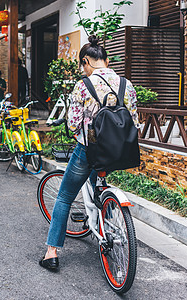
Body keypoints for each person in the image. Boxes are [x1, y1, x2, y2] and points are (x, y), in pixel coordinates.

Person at [39, 35, 139, 270]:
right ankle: (100, 216)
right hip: (120, 151)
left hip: (90, 149)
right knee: (97, 184)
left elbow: (74, 123)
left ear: (86, 61)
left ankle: (51, 252)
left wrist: (87, 137)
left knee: (64, 196)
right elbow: (135, 120)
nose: (82, 71)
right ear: (105, 59)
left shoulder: (84, 86)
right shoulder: (127, 84)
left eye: (81, 66)